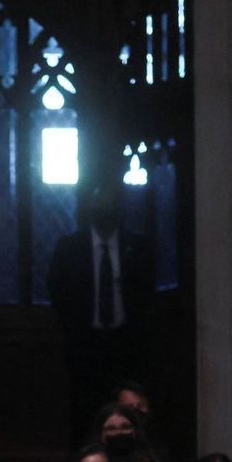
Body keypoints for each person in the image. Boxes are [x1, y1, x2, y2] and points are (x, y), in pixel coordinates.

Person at [47, 184, 153, 442]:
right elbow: (57, 291)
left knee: (129, 406)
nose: (105, 211)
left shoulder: (137, 247)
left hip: (126, 342)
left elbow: (147, 295)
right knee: (85, 408)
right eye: (99, 205)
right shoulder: (70, 248)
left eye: (110, 206)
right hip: (85, 343)